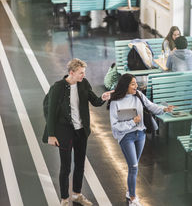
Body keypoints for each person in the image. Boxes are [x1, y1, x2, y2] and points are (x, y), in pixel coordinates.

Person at [43, 58, 113, 206]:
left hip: (81, 132)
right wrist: (51, 134)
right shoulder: (58, 88)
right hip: (64, 133)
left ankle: (76, 194)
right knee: (66, 166)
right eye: (81, 73)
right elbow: (50, 113)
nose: (83, 75)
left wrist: (103, 98)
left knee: (80, 165)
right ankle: (64, 199)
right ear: (71, 73)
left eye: (84, 72)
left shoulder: (84, 84)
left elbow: (94, 100)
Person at [109, 74, 174, 206]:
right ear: (125, 85)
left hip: (141, 135)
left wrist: (164, 109)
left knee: (134, 166)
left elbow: (150, 106)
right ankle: (133, 198)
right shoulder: (115, 102)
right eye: (133, 84)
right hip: (126, 136)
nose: (136, 86)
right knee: (133, 166)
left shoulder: (138, 94)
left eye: (135, 83)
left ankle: (129, 191)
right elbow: (115, 126)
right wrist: (132, 122)